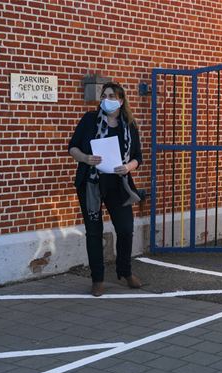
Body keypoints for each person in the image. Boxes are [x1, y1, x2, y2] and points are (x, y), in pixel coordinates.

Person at [68, 82, 143, 297]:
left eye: (111, 95)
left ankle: (125, 272)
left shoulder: (129, 125)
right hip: (91, 183)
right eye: (104, 95)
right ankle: (97, 279)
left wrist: (127, 167)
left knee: (126, 229)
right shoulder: (89, 120)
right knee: (94, 232)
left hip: (119, 184)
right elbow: (72, 147)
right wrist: (86, 158)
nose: (106, 99)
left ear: (120, 100)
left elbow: (138, 157)